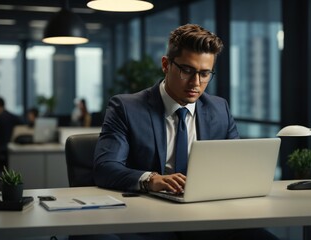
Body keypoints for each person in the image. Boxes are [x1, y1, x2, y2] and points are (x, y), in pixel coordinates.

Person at [93, 24, 278, 240]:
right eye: (187, 70)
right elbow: (105, 168)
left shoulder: (219, 109)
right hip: (148, 221)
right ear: (165, 64)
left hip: (208, 220)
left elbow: (235, 168)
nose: (196, 83)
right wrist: (150, 179)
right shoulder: (126, 108)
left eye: (205, 73)